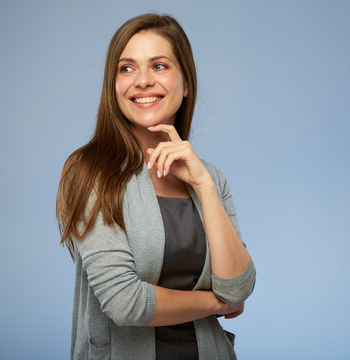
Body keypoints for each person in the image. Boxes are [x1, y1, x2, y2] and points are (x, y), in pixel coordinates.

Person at [56, 14, 256, 360]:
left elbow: (238, 285)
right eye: (127, 68)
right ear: (113, 84)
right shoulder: (90, 172)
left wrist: (204, 186)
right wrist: (216, 303)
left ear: (186, 82)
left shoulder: (210, 177)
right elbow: (126, 302)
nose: (143, 81)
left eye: (160, 66)